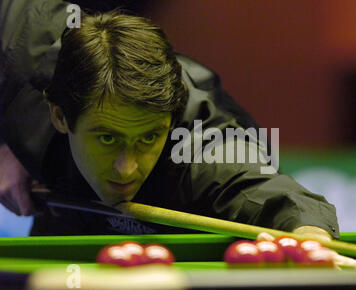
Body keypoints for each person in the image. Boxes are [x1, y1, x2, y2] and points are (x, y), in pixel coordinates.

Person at [0, 5, 338, 242]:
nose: (126, 169)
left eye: (148, 138)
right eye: (107, 138)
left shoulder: (202, 142)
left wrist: (307, 234)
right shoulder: (23, 56)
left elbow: (262, 191)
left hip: (176, 254)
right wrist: (8, 140)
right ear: (59, 115)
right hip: (65, 210)